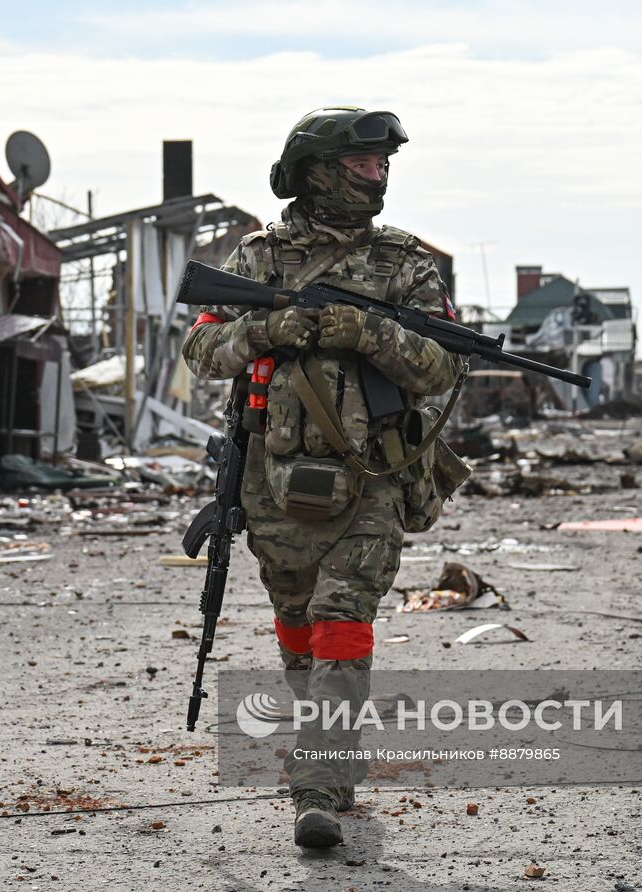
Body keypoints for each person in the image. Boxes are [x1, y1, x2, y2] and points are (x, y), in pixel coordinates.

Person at [182, 107, 467, 848]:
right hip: (273, 480)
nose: (380, 176)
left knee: (344, 621)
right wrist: (267, 330)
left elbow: (441, 369)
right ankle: (333, 749)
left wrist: (367, 331)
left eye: (383, 165)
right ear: (318, 171)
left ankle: (317, 783)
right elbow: (201, 347)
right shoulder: (258, 259)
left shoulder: (404, 264)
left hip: (371, 478)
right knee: (299, 625)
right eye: (366, 163)